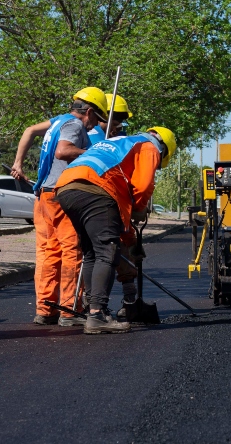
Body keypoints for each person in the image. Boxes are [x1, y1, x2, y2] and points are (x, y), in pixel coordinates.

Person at [54, 126, 176, 334]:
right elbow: (144, 185)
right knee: (106, 253)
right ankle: (97, 314)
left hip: (66, 187)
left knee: (92, 252)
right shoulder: (150, 147)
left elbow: (118, 210)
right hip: (95, 190)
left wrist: (130, 241)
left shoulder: (119, 143)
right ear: (164, 149)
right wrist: (139, 207)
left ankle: (93, 312)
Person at [11, 87, 107, 326]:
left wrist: (18, 163)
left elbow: (29, 130)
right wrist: (92, 154)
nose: (95, 125)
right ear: (89, 111)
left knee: (47, 253)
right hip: (62, 195)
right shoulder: (74, 126)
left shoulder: (57, 122)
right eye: (96, 118)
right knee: (72, 251)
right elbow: (63, 151)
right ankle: (70, 310)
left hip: (43, 195)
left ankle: (45, 309)